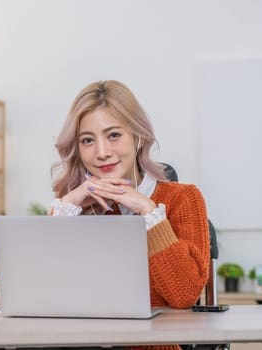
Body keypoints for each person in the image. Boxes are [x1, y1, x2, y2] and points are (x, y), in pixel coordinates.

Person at [51, 80, 210, 350]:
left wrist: (148, 211)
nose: (101, 153)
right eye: (87, 140)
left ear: (139, 137)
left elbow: (183, 295)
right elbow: (47, 296)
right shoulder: (77, 207)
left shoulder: (182, 198)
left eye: (114, 135)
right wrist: (67, 207)